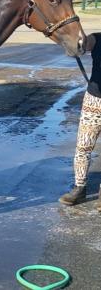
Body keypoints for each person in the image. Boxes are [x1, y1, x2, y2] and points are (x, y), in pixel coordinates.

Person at [59, 32, 101, 208]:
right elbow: (85, 44)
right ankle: (79, 188)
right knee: (83, 147)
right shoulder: (99, 38)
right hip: (94, 100)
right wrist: (79, 39)